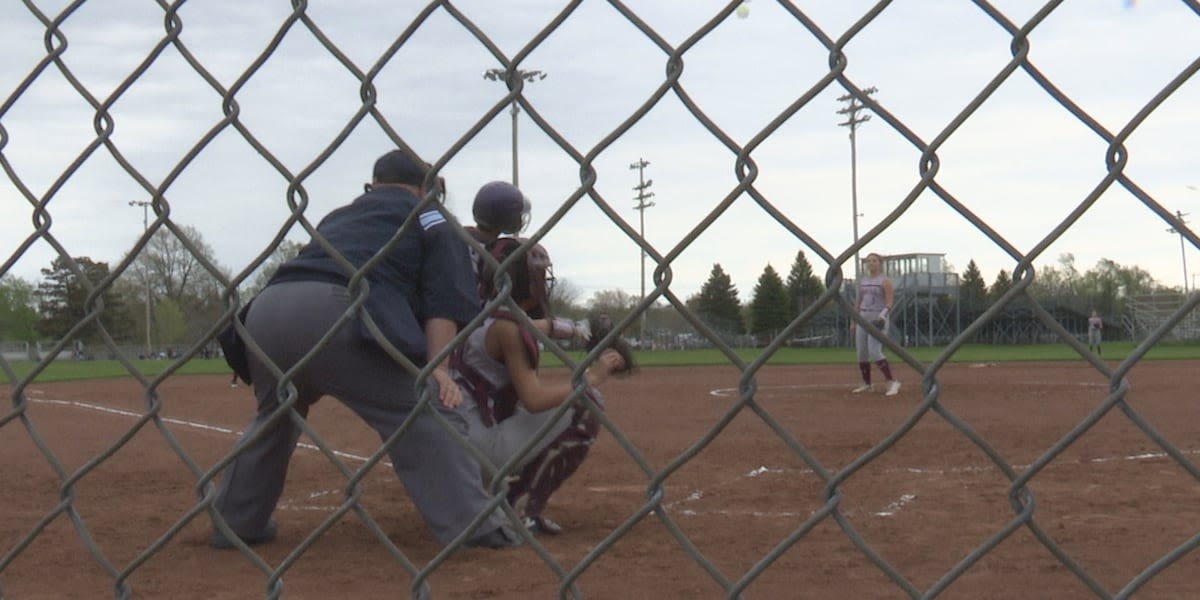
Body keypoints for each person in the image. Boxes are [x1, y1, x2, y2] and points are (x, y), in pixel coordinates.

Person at [210, 149, 521, 551]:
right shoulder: (430, 216)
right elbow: (444, 299)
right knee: (424, 411)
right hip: (338, 313)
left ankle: (235, 522)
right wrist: (437, 368)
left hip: (264, 313)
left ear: (374, 184)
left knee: (275, 415)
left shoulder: (339, 215)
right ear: (424, 188)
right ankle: (478, 528)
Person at [451, 237, 628, 536]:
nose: (544, 282)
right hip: (482, 449)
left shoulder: (479, 312)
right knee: (587, 402)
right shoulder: (509, 330)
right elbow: (533, 399)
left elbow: (535, 325)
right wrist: (592, 378)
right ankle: (520, 508)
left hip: (453, 446)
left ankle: (484, 498)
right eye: (540, 276)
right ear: (526, 281)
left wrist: (576, 329)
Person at [851, 252, 901, 396]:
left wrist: (882, 317)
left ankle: (892, 382)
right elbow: (858, 302)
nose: (871, 263)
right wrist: (854, 321)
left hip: (877, 315)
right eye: (869, 261)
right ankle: (867, 384)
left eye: (874, 261)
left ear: (880, 263)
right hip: (863, 316)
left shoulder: (884, 281)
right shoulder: (863, 281)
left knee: (874, 349)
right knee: (861, 352)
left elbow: (890, 302)